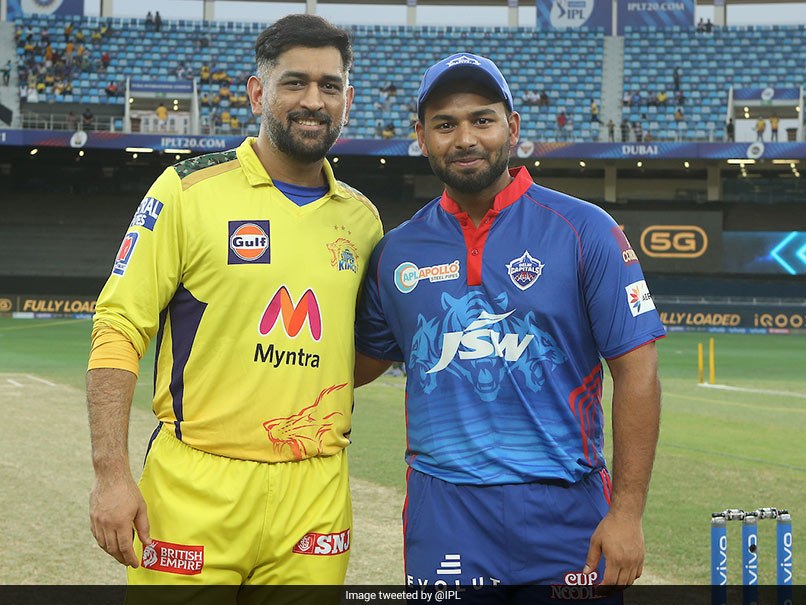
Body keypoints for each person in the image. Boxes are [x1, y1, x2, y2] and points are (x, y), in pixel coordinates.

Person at [87, 14, 383, 586]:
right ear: (257, 93)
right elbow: (119, 325)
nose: (313, 101)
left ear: (349, 98)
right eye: (294, 82)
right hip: (195, 488)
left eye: (329, 86)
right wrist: (110, 472)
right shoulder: (187, 190)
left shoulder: (363, 220)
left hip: (315, 494)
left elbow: (360, 352)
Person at [354, 52, 664, 589]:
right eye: (445, 125)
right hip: (445, 511)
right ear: (421, 137)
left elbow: (638, 372)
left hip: (566, 509)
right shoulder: (396, 251)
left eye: (482, 119)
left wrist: (628, 512)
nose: (465, 138)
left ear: (513, 128)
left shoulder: (585, 230)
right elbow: (351, 367)